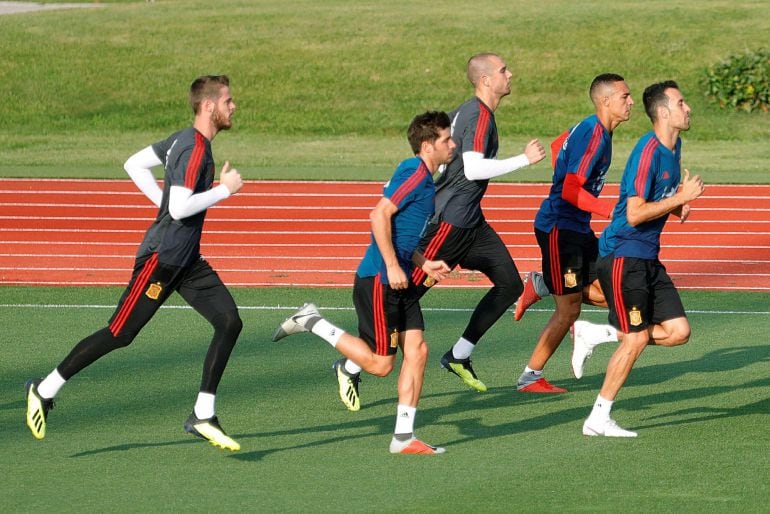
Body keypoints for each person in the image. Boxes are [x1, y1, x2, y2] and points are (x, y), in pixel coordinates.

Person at [25, 75, 245, 451]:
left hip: (187, 261)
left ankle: (203, 414)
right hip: (161, 261)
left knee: (229, 321)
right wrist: (224, 190)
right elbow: (178, 207)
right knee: (120, 333)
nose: (233, 106)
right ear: (209, 106)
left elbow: (134, 164)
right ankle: (43, 391)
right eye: (227, 101)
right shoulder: (193, 148)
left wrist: (162, 204)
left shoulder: (180, 139)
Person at [272, 111, 454, 454]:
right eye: (446, 139)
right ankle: (311, 321)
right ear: (428, 145)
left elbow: (401, 234)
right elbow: (378, 215)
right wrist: (391, 265)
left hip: (400, 279)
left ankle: (403, 437)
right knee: (381, 365)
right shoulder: (413, 173)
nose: (452, 144)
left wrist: (422, 261)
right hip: (379, 280)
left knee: (418, 351)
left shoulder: (427, 180)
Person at [410, 52, 546, 392]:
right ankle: (352, 360)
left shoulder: (465, 113)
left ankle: (459, 355)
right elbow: (472, 169)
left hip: (471, 222)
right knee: (402, 297)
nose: (510, 74)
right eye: (503, 70)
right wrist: (523, 160)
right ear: (486, 80)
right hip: (450, 224)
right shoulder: (478, 115)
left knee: (511, 285)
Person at [580, 80, 704, 437]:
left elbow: (660, 200)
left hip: (648, 256)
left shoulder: (674, 145)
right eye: (682, 103)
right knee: (634, 339)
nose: (688, 108)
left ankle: (598, 332)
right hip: (623, 254)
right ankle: (598, 417)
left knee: (679, 332)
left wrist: (679, 201)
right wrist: (677, 199)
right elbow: (634, 214)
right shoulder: (647, 152)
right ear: (664, 112)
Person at [515, 74, 634, 393]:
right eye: (625, 96)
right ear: (605, 101)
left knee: (612, 289)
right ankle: (530, 377)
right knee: (569, 310)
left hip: (577, 228)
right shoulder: (594, 135)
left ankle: (542, 283)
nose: (631, 102)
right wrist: (610, 212)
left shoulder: (593, 130)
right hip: (559, 229)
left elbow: (558, 145)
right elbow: (569, 189)